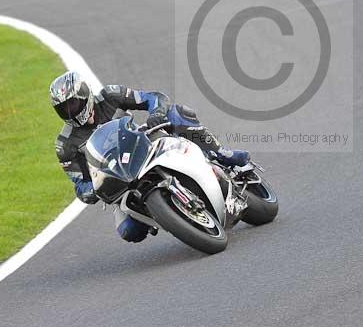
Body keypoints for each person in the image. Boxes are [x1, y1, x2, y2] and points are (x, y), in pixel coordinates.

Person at [49, 70, 250, 243]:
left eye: (73, 104)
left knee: (176, 114)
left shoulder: (110, 96)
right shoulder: (65, 145)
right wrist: (94, 187)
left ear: (85, 94)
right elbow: (80, 184)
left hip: (144, 144)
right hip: (119, 178)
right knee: (129, 232)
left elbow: (155, 98)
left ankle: (220, 153)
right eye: (64, 108)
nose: (70, 111)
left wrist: (157, 114)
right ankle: (171, 215)